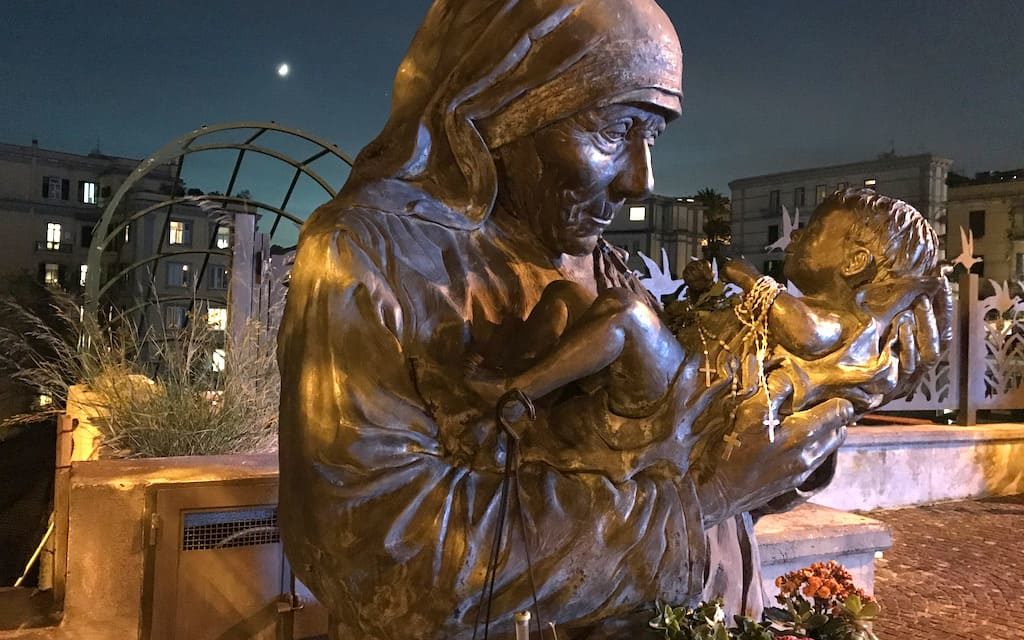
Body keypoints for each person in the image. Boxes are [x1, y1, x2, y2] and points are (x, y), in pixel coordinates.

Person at [276, 2, 949, 638]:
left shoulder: (602, 265)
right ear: (500, 109)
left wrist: (824, 396)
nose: (641, 180)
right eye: (611, 129)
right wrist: (701, 500)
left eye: (651, 135)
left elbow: (686, 446)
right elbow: (377, 557)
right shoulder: (367, 257)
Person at [468, 188, 943, 475]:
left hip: (687, 391)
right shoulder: (821, 315)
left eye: (814, 230)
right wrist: (706, 290)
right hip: (685, 363)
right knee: (568, 296)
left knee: (627, 314)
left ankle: (514, 392)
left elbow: (805, 333)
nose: (797, 235)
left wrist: (751, 279)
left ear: (856, 262)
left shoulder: (837, 324)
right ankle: (520, 368)